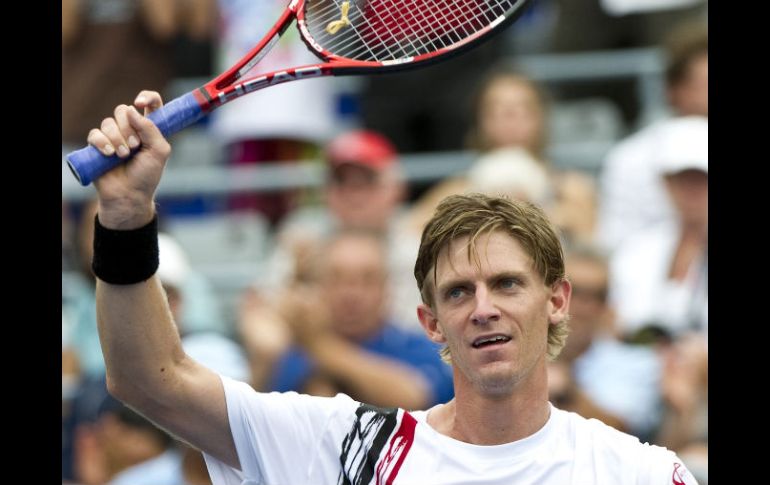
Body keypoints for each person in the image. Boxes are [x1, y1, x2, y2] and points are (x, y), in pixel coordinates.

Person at [84, 90, 698, 484]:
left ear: (556, 299)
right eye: (458, 292)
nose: (483, 308)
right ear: (430, 322)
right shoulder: (346, 447)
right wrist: (127, 216)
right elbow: (148, 378)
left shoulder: (635, 472)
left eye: (508, 284)